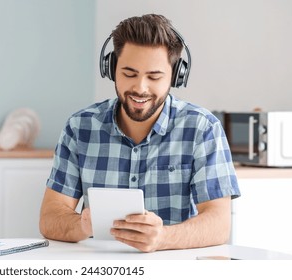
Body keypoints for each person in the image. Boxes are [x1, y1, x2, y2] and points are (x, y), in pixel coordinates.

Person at [39, 14, 240, 253]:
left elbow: (219, 224)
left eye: (154, 77)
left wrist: (162, 238)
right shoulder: (80, 127)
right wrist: (82, 224)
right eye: (129, 73)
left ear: (176, 76)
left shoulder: (203, 128)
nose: (140, 88)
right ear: (111, 69)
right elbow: (50, 218)